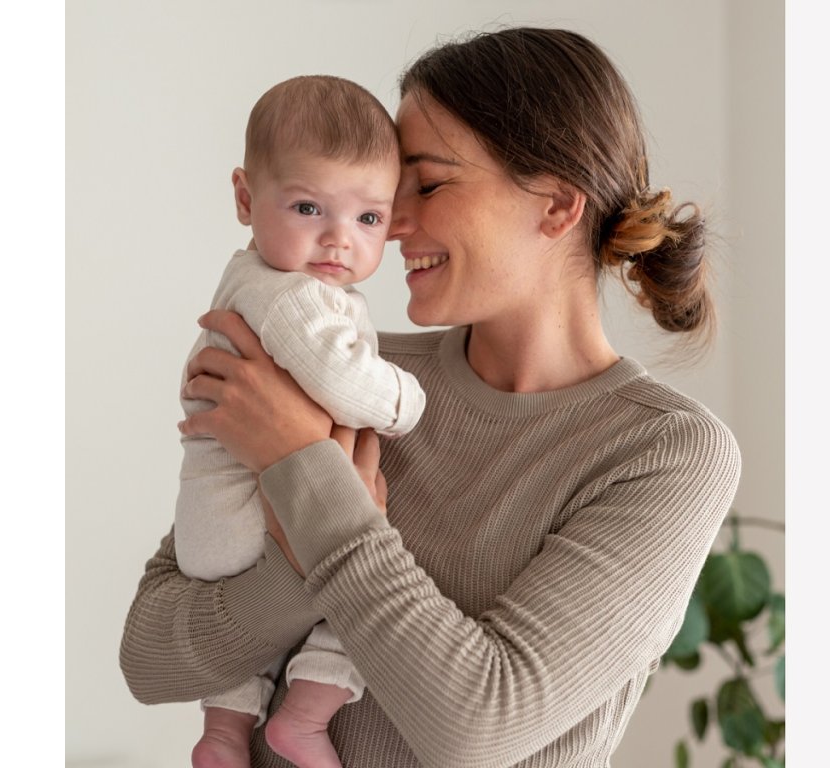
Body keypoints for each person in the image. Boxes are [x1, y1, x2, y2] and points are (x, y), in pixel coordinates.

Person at [121, 27, 741, 768]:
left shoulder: (665, 452)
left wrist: (300, 464)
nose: (393, 222)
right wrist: (293, 570)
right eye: (394, 189)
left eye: (430, 184)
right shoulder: (351, 373)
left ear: (555, 205)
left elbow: (477, 726)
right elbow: (148, 657)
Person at [172, 75, 425, 768]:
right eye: (310, 207)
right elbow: (345, 383)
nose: (339, 239)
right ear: (245, 199)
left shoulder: (251, 281)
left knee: (251, 646)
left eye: (368, 219)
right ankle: (305, 719)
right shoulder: (292, 298)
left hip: (211, 529)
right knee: (363, 599)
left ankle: (223, 734)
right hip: (255, 520)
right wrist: (408, 400)